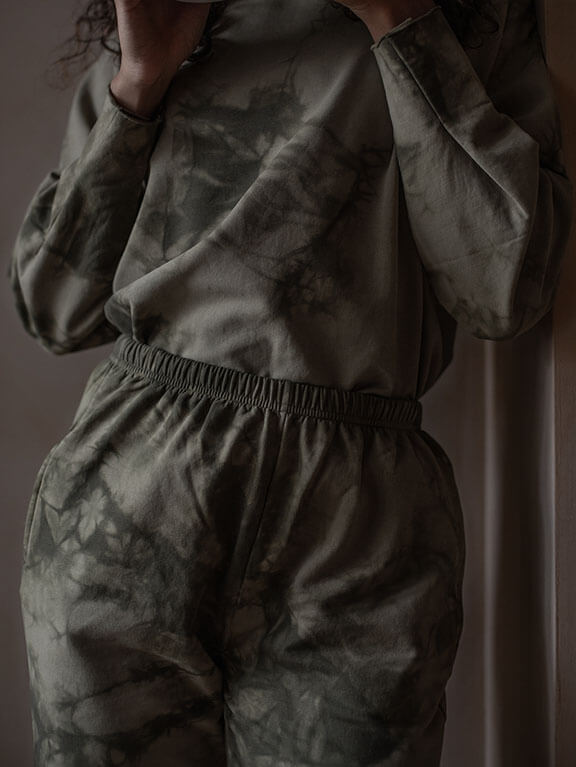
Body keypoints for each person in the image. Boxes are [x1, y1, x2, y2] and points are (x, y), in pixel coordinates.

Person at [8, 0, 573, 764]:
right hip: (129, 499)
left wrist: (399, 26)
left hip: (358, 530)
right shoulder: (170, 9)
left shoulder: (479, 16)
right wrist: (139, 80)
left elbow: (504, 291)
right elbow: (52, 306)